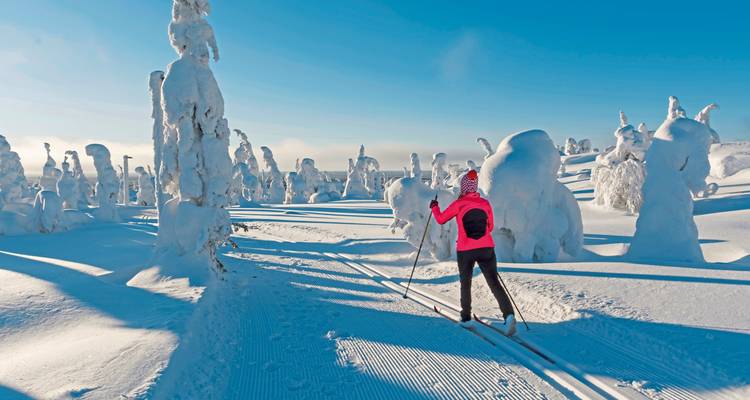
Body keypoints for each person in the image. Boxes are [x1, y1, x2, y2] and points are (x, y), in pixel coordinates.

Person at [430, 169, 517, 335]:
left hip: (465, 249)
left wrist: (434, 207)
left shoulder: (459, 204)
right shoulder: (485, 204)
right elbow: (490, 226)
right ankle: (509, 316)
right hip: (486, 249)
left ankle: (466, 318)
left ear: (463, 188)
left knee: (466, 282)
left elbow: (441, 219)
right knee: (494, 283)